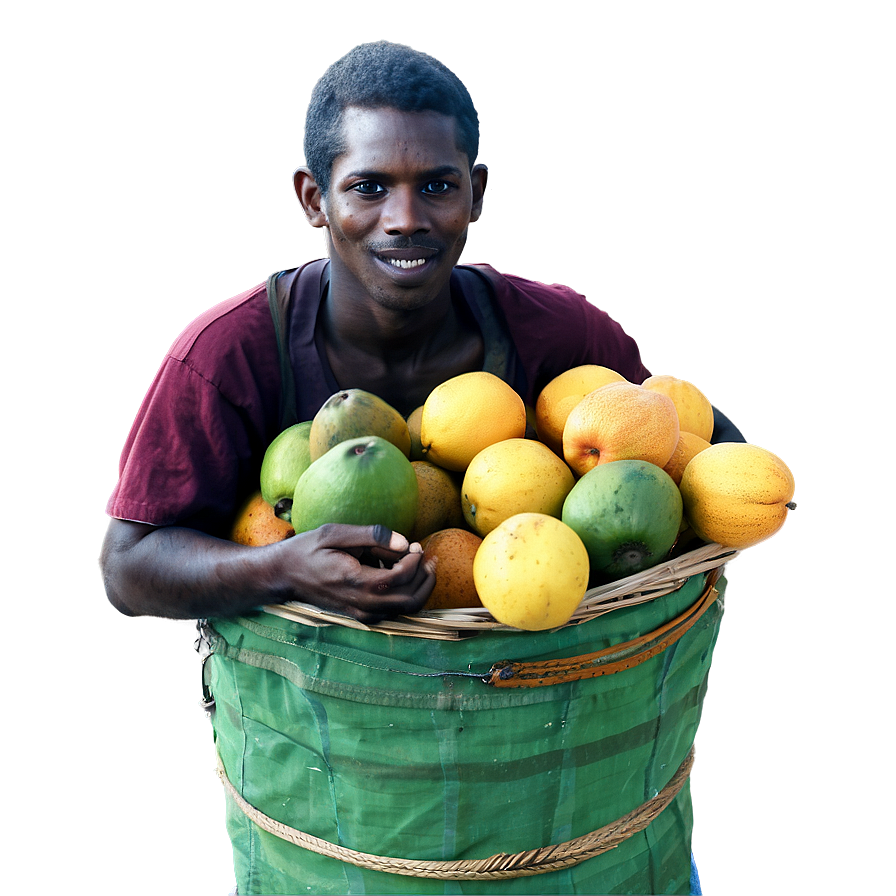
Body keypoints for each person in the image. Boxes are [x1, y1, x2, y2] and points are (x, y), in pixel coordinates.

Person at [101, 39, 734, 893]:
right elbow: (130, 568)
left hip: (565, 789)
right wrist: (284, 566)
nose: (406, 218)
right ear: (313, 198)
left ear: (476, 194)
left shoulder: (561, 336)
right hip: (339, 799)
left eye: (436, 185)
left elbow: (669, 461)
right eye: (369, 187)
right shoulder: (232, 357)